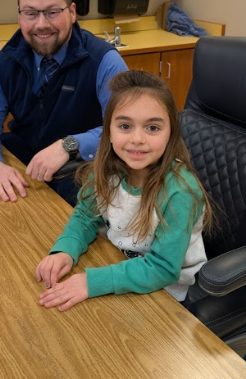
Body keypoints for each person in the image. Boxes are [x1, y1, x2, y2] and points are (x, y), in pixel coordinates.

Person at [35, 70, 214, 311]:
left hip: (163, 293)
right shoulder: (108, 170)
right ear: (108, 131)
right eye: (125, 126)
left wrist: (90, 282)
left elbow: (162, 269)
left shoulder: (179, 192)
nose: (137, 139)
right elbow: (85, 217)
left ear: (170, 133)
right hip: (116, 262)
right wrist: (64, 251)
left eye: (152, 128)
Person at [0, 0, 127, 206]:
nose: (41, 24)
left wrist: (69, 145)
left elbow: (126, 129)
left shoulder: (104, 62)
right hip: (26, 162)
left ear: (71, 12)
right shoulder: (4, 63)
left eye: (52, 12)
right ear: (19, 16)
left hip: (82, 166)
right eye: (30, 13)